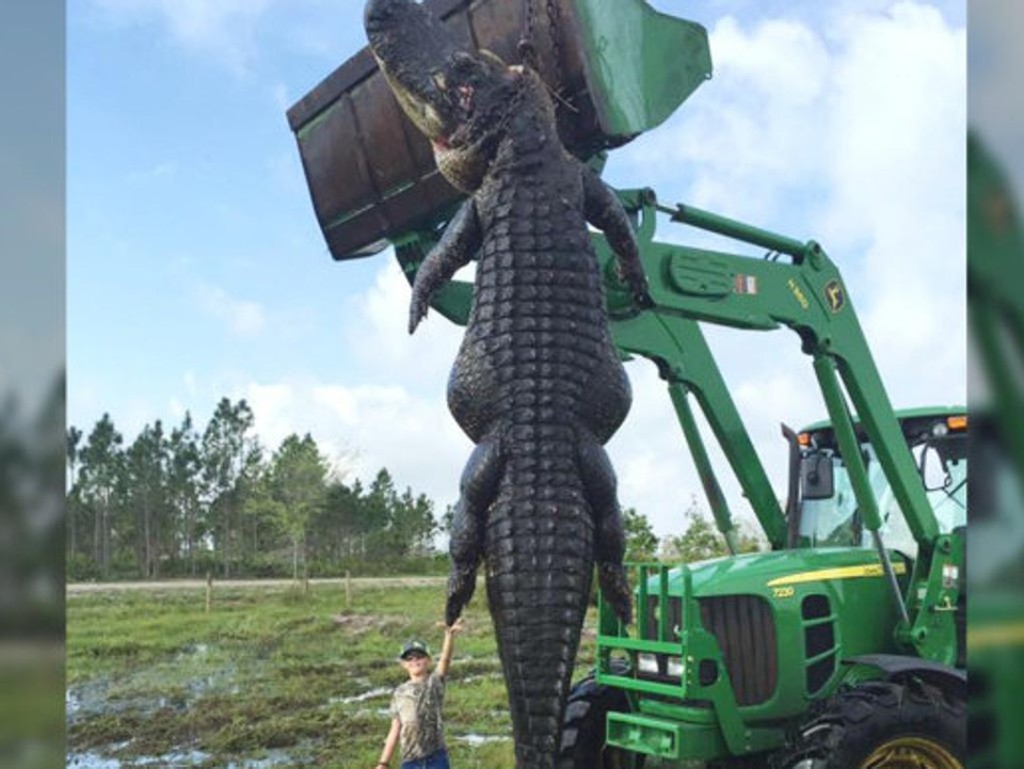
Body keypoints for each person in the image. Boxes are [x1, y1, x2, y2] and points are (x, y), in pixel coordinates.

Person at [375, 618, 464, 769]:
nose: (415, 661)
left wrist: (449, 636)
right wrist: (383, 763)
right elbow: (395, 729)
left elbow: (445, 660)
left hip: (436, 758)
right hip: (410, 761)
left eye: (419, 657)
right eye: (409, 658)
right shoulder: (399, 693)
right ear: (403, 664)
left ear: (428, 660)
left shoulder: (434, 683)